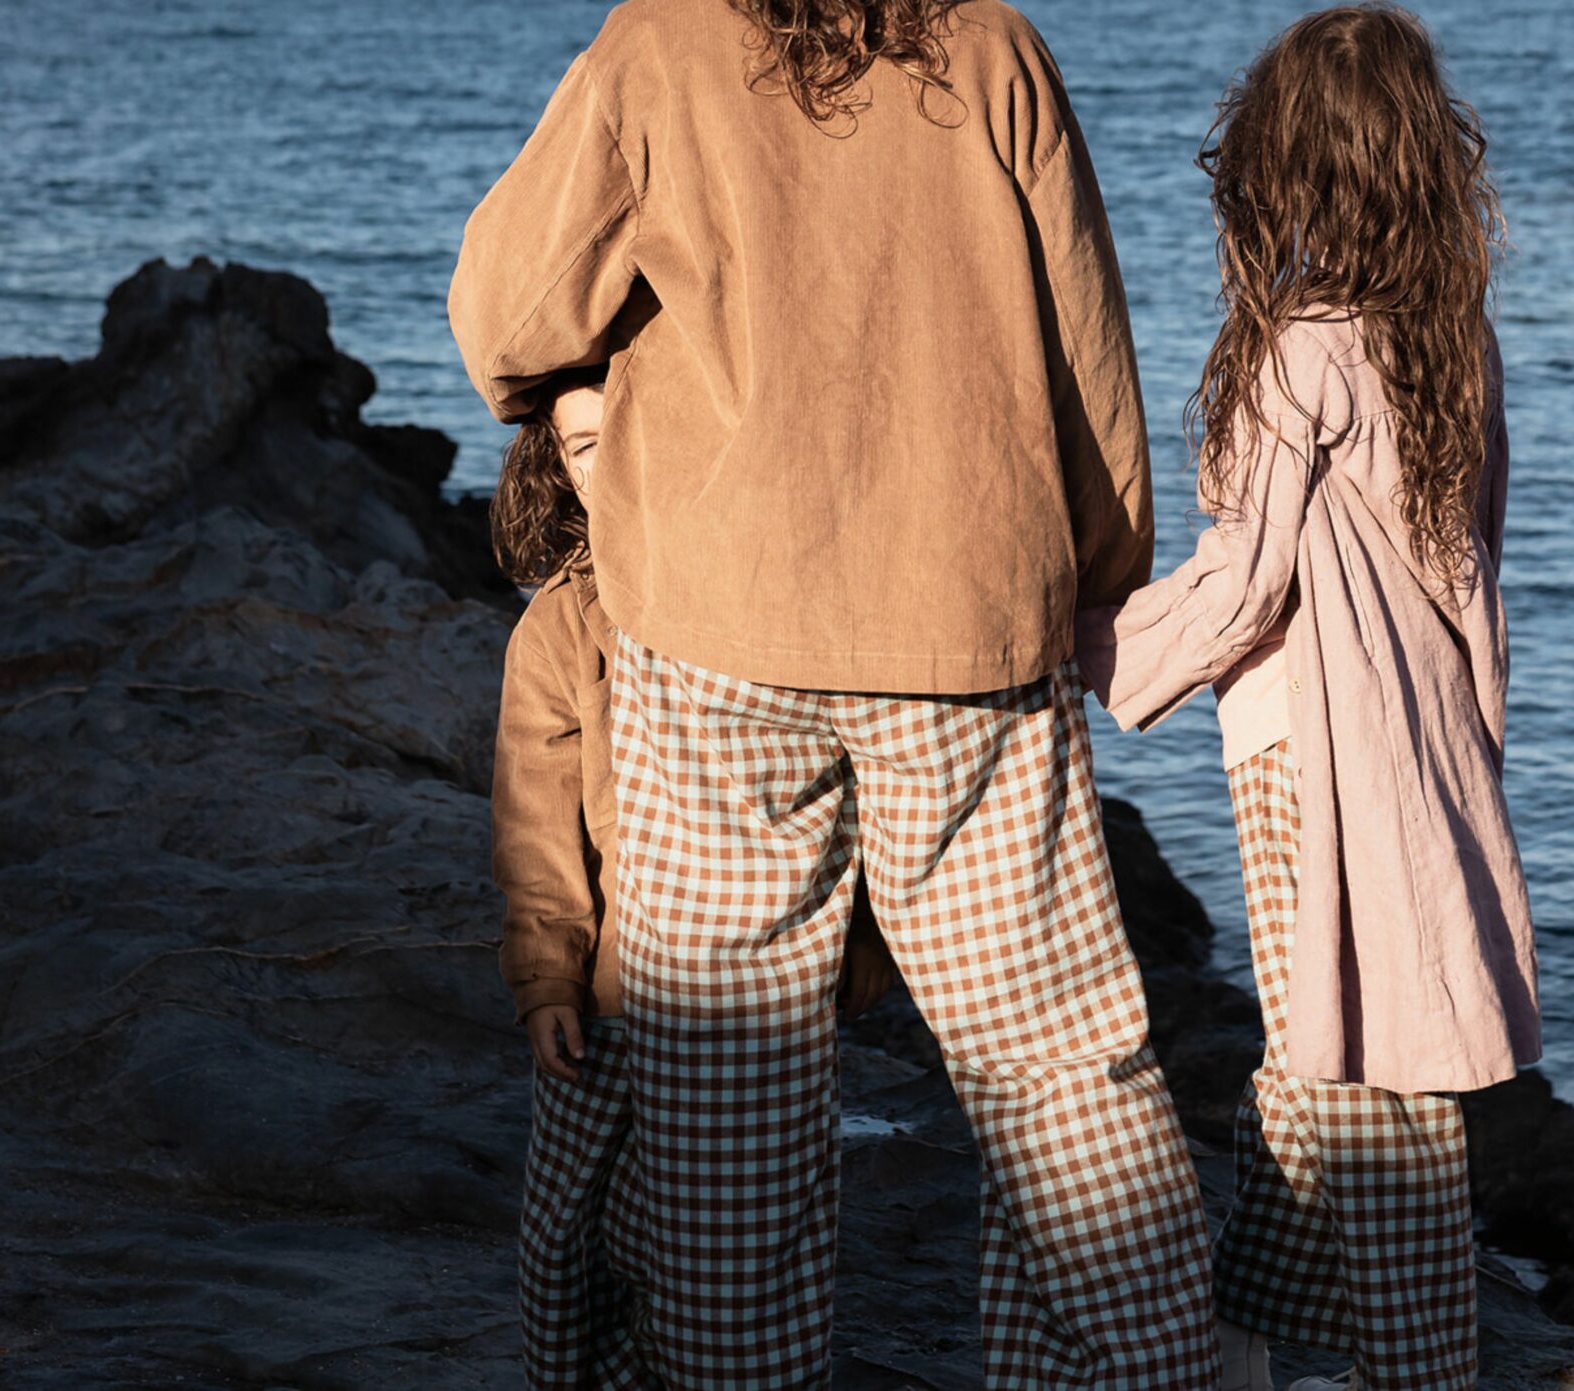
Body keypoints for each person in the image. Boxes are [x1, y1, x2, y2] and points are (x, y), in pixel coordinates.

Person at [450, 0, 1222, 1385]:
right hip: (969, 630)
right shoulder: (993, 47)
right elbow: (1090, 355)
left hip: (715, 630)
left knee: (722, 1100)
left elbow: (505, 311)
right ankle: (1146, 1365)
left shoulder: (656, 44)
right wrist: (1091, 575)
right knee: (1059, 1075)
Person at [1076, 7, 1541, 1390]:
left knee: (1369, 1073)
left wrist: (1078, 651)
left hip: (1312, 752)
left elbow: (1243, 583)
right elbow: (1475, 565)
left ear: (1287, 168)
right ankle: (1237, 1335)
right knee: (1321, 1040)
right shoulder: (1451, 340)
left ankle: (1413, 1366)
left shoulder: (1300, 349)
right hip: (1433, 737)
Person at [487, 370, 896, 1388]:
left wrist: (861, 941)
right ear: (552, 465)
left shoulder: (769, 590)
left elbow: (846, 789)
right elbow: (534, 822)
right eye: (578, 447)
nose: (608, 461)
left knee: (729, 1251)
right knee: (570, 1239)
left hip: (751, 1004)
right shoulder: (562, 625)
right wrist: (546, 977)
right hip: (609, 999)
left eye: (623, 434)